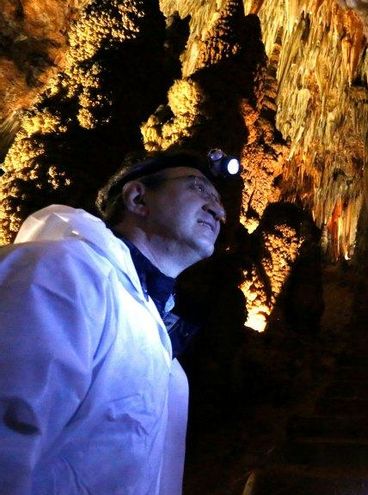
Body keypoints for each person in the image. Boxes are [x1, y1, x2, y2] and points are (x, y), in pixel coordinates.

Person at [0, 149, 228, 495]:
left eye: (218, 199)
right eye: (199, 189)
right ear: (138, 197)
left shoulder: (165, 354)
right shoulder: (61, 272)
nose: (218, 210)